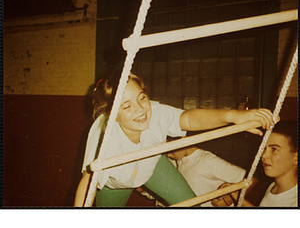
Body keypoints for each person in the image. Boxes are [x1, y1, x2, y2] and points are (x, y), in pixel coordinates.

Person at [74, 68, 274, 207]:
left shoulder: (155, 112)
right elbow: (88, 180)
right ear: (111, 114)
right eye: (127, 106)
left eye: (142, 97)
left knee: (191, 205)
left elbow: (189, 119)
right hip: (116, 183)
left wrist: (233, 116)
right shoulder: (103, 130)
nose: (140, 109)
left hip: (151, 164)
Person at [213, 120, 298, 207]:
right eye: (264, 149)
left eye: (274, 149)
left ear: (296, 158)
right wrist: (237, 197)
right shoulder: (274, 187)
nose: (264, 155)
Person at [166, 137, 257, 207]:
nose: (169, 155)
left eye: (170, 150)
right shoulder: (178, 160)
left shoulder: (207, 160)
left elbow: (251, 180)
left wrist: (224, 202)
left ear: (183, 139)